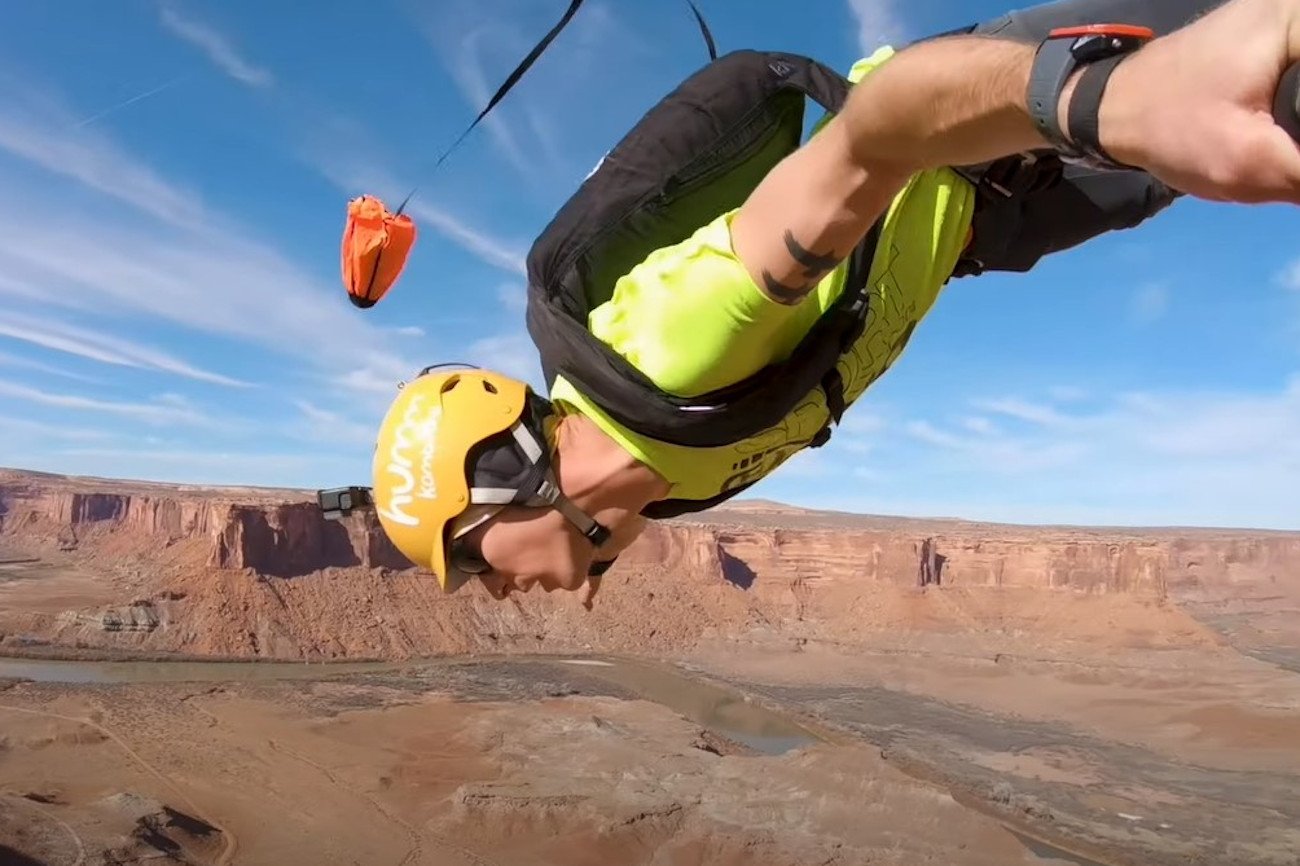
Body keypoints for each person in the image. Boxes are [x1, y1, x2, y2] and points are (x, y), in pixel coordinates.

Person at [342, 0, 1300, 607]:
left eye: (468, 562)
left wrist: (1108, 103)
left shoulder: (667, 352)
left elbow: (876, 134)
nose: (489, 595)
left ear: (502, 479)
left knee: (1265, 71)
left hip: (988, 115)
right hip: (988, 222)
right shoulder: (666, 481)